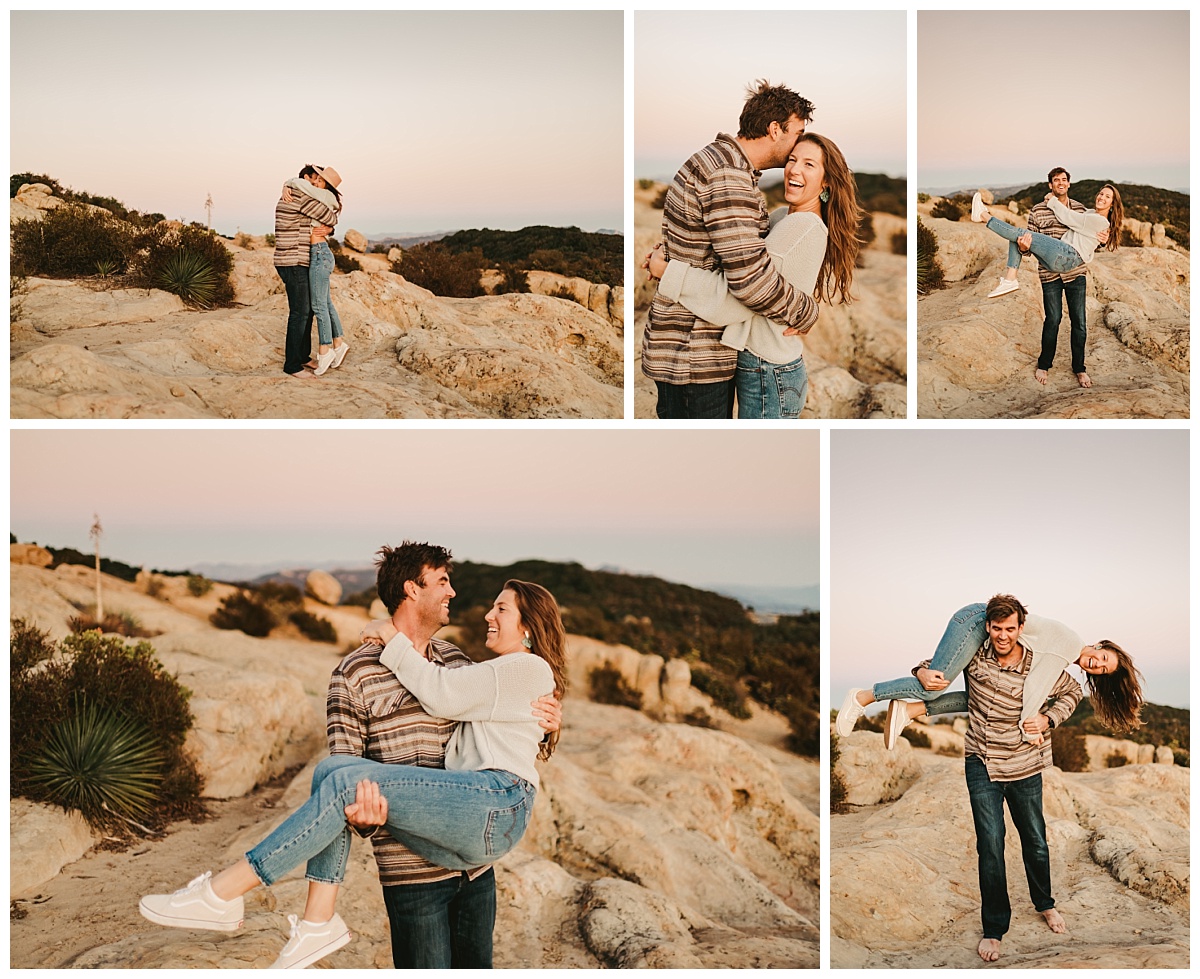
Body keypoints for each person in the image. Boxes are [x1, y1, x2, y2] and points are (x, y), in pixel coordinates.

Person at [140, 543, 564, 969]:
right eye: (442, 581)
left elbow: (464, 699)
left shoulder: (456, 663)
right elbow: (347, 770)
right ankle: (311, 920)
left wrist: (550, 716)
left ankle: (229, 896)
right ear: (411, 590)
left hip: (474, 860)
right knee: (333, 773)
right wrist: (359, 815)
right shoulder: (354, 673)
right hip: (412, 867)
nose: (455, 593)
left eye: (500, 609)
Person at [837, 595, 1144, 963]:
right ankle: (994, 928)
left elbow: (1071, 693)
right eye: (997, 629)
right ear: (990, 628)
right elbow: (941, 666)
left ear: (1021, 630)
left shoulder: (1045, 663)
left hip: (1025, 766)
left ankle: (1045, 904)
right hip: (982, 763)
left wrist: (1047, 720)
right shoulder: (981, 652)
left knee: (1035, 841)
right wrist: (920, 674)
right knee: (991, 846)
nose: (1003, 636)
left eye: (1010, 629)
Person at [645, 132, 861, 418]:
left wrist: (669, 272)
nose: (794, 169)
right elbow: (733, 261)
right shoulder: (785, 217)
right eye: (793, 159)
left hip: (769, 370)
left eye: (809, 164)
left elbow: (737, 300)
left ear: (827, 182)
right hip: (764, 367)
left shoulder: (801, 228)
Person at [640, 80, 821, 419]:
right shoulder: (727, 176)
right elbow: (751, 282)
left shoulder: (722, 163)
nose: (799, 143)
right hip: (694, 352)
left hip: (693, 349)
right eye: (797, 133)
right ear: (774, 129)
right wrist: (805, 312)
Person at [836, 596, 1143, 749]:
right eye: (1103, 657)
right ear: (1099, 645)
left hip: (980, 629)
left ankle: (909, 710)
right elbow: (1034, 689)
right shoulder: (1069, 646)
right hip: (977, 622)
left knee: (984, 696)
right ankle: (863, 697)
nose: (1098, 665)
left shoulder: (1069, 653)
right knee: (933, 685)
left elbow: (1026, 683)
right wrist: (1029, 731)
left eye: (1103, 669)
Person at [273, 165, 340, 378]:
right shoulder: (300, 195)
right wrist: (331, 226)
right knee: (299, 313)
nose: (315, 185)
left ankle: (302, 356)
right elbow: (328, 216)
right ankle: (292, 365)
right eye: (314, 180)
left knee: (308, 309)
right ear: (305, 178)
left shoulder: (295, 190)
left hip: (296, 260)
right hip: (292, 261)